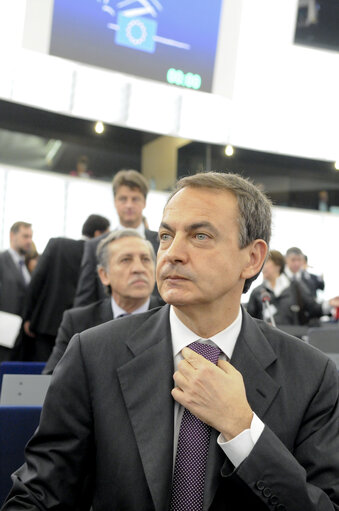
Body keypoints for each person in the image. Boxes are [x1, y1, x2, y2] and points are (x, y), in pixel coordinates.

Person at [2, 172, 339, 510]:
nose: (172, 253)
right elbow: (39, 496)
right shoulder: (93, 354)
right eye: (166, 235)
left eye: (200, 235)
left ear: (252, 258)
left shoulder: (313, 377)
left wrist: (243, 432)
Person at [44, 229, 163, 374]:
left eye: (145, 259)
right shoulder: (78, 323)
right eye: (126, 260)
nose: (139, 268)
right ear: (104, 275)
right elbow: (51, 380)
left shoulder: (174, 317)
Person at [21, 215, 110, 361]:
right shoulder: (99, 254)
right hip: (82, 330)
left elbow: (36, 280)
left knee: (42, 375)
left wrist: (28, 316)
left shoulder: (57, 245)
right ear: (98, 234)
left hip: (46, 323)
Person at [74, 169, 160, 307]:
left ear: (144, 202)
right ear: (115, 202)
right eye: (123, 199)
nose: (129, 205)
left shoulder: (162, 243)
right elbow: (85, 300)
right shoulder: (95, 246)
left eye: (135, 199)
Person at [246, 249, 337, 327]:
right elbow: (249, 321)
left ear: (277, 265)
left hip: (292, 340)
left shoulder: (295, 287)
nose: (262, 267)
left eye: (266, 262)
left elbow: (313, 308)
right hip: (266, 342)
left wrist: (330, 303)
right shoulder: (257, 292)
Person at [0, 222, 33, 362]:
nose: (29, 241)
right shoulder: (2, 260)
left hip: (21, 336)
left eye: (31, 237)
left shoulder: (26, 265)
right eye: (25, 236)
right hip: (4, 332)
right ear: (12, 235)